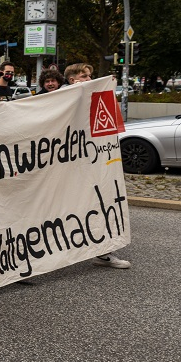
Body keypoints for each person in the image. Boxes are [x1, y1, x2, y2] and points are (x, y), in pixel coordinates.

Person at [60, 62, 131, 270]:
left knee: (98, 204)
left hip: (89, 163)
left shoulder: (90, 96)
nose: (90, 80)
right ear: (73, 80)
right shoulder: (61, 98)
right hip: (67, 166)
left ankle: (103, 252)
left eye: (91, 76)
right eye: (85, 76)